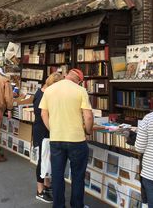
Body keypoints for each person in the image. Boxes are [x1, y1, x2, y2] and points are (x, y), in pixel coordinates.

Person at [39, 68, 93, 208]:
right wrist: (88, 130)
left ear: (66, 75)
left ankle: (58, 206)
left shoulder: (49, 90)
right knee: (78, 176)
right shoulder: (80, 90)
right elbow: (88, 116)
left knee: (57, 176)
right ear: (79, 81)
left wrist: (53, 130)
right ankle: (77, 205)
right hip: (77, 140)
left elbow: (43, 114)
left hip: (56, 139)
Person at [33, 72, 63, 203]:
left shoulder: (44, 93)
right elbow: (42, 115)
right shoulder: (43, 96)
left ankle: (47, 185)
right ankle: (39, 191)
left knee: (47, 159)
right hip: (42, 131)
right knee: (42, 159)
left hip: (45, 130)